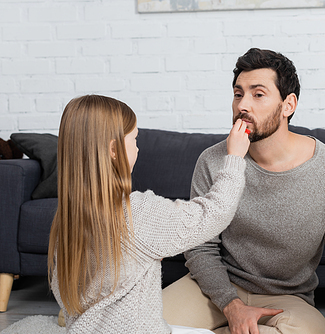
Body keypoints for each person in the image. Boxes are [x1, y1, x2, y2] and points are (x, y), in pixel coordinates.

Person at [162, 48, 325, 334]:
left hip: (287, 300)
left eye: (257, 94)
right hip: (215, 289)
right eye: (238, 94)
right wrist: (231, 305)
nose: (243, 105)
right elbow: (201, 247)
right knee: (133, 324)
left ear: (288, 105)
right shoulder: (213, 161)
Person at [48, 94, 251, 333]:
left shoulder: (66, 223)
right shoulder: (137, 213)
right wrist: (235, 158)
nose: (138, 147)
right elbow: (213, 214)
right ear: (114, 150)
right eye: (134, 139)